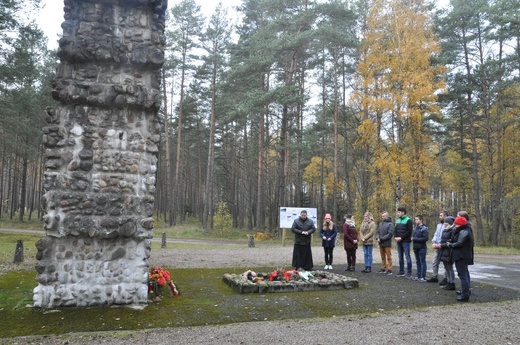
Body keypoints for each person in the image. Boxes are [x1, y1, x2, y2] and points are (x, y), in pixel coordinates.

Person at [442, 216, 474, 302]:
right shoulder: (464, 230)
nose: (455, 226)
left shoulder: (464, 231)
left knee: (463, 275)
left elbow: (460, 243)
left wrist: (450, 245)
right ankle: (465, 292)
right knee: (464, 274)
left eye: (456, 224)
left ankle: (465, 295)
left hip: (461, 256)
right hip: (462, 255)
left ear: (459, 224)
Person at [433, 216, 456, 291]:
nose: (444, 223)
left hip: (449, 252)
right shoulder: (445, 230)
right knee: (446, 267)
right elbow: (443, 240)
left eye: (446, 222)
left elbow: (450, 242)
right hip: (443, 251)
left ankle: (452, 283)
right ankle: (449, 282)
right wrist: (437, 245)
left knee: (449, 268)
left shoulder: (452, 231)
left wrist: (441, 245)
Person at [427, 210, 449, 283]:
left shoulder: (449, 225)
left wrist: (442, 244)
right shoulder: (439, 225)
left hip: (444, 247)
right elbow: (436, 234)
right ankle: (434, 276)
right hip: (437, 246)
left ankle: (446, 278)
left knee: (446, 264)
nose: (439, 217)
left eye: (441, 215)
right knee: (435, 262)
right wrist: (433, 242)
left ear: (445, 216)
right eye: (439, 215)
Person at [394, 206, 413, 278]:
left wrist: (401, 238)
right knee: (400, 256)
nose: (398, 213)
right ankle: (401, 271)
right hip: (398, 241)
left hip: (406, 241)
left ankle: (409, 272)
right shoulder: (398, 220)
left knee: (407, 256)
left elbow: (409, 231)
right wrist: (395, 237)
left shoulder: (408, 220)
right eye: (398, 212)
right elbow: (395, 230)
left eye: (399, 212)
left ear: (403, 212)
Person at [411, 215, 429, 282]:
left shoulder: (424, 228)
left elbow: (425, 238)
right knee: (417, 262)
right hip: (416, 247)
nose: (416, 221)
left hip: (422, 247)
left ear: (421, 220)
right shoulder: (415, 228)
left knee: (422, 262)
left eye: (417, 219)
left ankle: (423, 276)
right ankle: (418, 275)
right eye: (415, 219)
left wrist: (415, 239)